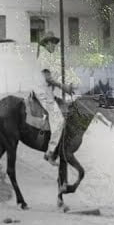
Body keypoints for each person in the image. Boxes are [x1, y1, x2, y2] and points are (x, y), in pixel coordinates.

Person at [34, 32, 74, 166]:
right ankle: (50, 152)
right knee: (59, 121)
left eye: (55, 43)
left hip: (47, 92)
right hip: (43, 93)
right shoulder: (45, 56)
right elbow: (48, 78)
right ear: (46, 43)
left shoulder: (47, 57)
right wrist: (63, 87)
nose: (54, 46)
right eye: (52, 43)